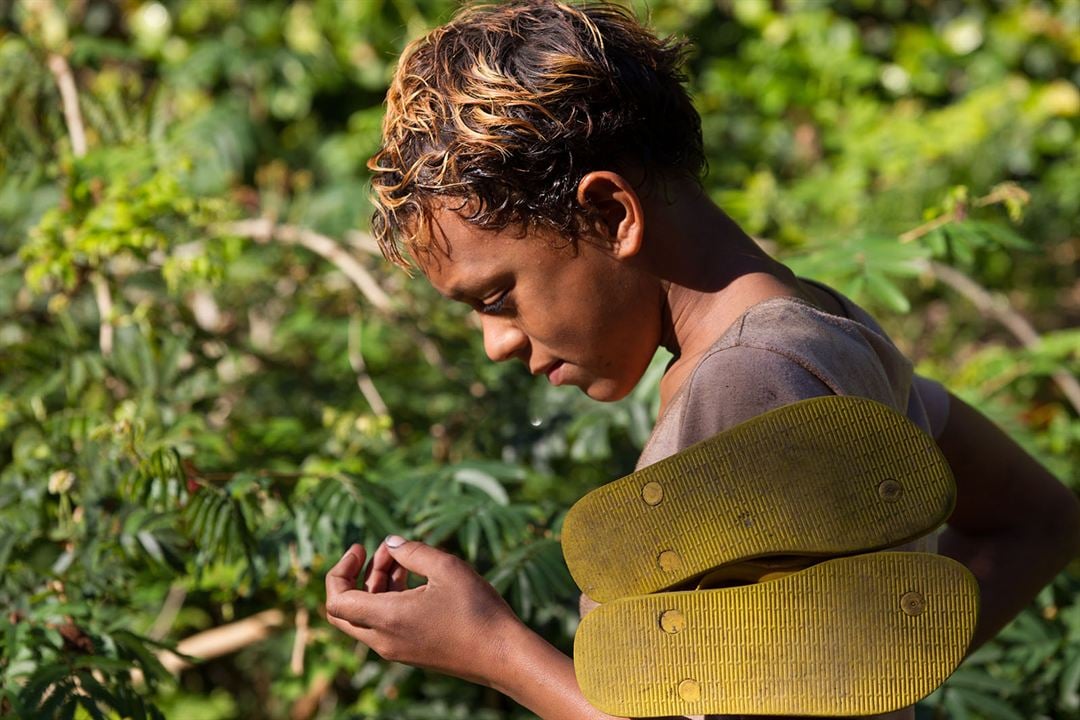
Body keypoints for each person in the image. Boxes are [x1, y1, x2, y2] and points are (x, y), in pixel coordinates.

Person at [324, 2, 1080, 718]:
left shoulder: (752, 379)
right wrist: (883, 677)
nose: (498, 342)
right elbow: (1038, 519)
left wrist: (493, 649)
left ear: (611, 213)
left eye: (496, 296)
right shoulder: (821, 324)